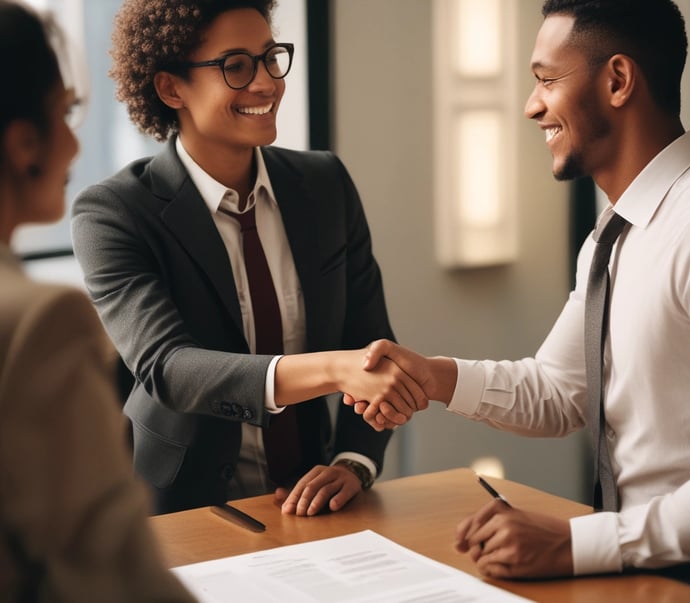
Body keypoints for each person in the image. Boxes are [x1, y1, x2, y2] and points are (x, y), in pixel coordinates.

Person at [349, 0, 690, 590]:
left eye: (546, 80)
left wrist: (576, 541)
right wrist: (431, 376)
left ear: (618, 81)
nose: (531, 106)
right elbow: (559, 391)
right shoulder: (611, 235)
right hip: (637, 569)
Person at [70, 0, 425, 517]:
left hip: (309, 503)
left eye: (270, 57)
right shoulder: (113, 212)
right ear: (171, 88)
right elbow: (170, 368)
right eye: (235, 66)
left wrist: (352, 464)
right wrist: (333, 370)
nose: (267, 83)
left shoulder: (325, 185)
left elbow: (371, 347)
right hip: (178, 511)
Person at [0, 2, 197, 600]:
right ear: (23, 142)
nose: (74, 143)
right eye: (66, 112)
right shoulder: (41, 323)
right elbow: (117, 574)